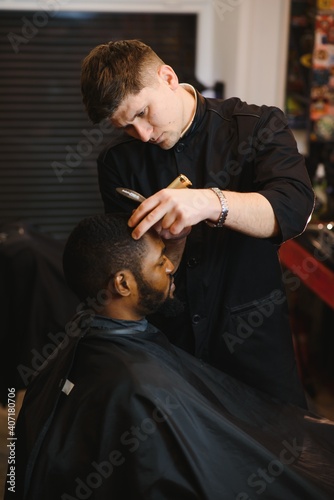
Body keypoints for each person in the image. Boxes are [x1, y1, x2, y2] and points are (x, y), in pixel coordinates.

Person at [7, 213, 334, 500]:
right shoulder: (139, 390)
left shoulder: (80, 338)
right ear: (123, 283)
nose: (170, 266)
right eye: (160, 259)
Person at [80, 40, 315, 408]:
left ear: (168, 78)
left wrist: (208, 201)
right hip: (171, 348)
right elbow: (130, 260)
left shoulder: (256, 127)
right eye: (126, 127)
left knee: (278, 454)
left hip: (253, 341)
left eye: (143, 113)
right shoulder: (117, 162)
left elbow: (293, 210)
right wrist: (172, 243)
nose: (142, 134)